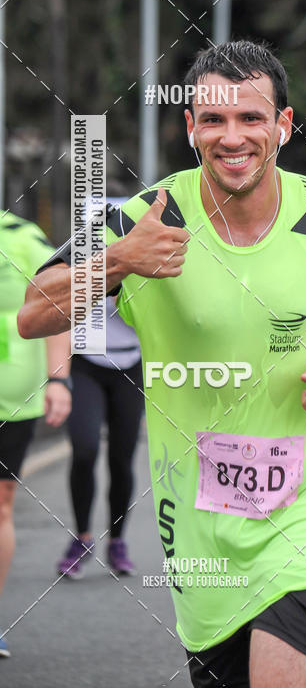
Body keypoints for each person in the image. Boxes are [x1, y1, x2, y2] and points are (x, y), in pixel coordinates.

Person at [18, 40, 306, 688]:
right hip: (199, 518)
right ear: (190, 129)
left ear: (283, 126)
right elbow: (33, 313)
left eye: (251, 117)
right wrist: (119, 262)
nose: (232, 136)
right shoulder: (147, 216)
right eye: (213, 119)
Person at [0, 211, 71, 658]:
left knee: (0, 505)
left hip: (11, 399)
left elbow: (58, 303)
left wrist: (59, 380)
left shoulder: (21, 236)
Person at [56, 231, 145, 578]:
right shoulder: (77, 253)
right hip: (86, 363)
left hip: (132, 366)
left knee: (121, 459)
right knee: (85, 449)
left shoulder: (143, 255)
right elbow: (56, 311)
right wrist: (58, 379)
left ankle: (117, 541)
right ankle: (82, 538)